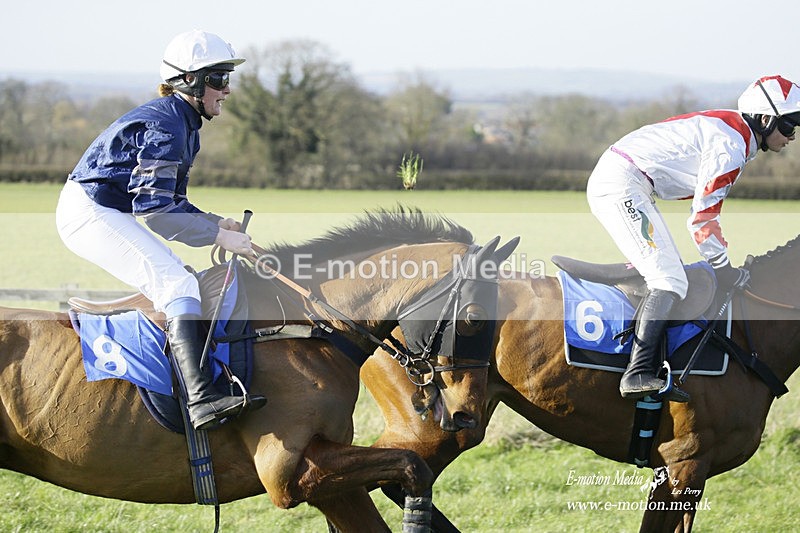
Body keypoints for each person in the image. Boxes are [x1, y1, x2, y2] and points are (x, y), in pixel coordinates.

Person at [56, 30, 266, 430]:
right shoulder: (169, 126)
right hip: (89, 212)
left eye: (227, 79)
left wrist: (213, 223)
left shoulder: (184, 124)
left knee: (181, 280)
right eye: (219, 79)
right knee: (177, 286)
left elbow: (171, 203)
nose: (227, 90)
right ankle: (202, 400)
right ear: (191, 81)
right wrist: (221, 238)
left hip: (105, 209)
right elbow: (154, 213)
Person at [587, 75, 800, 403]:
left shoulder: (735, 134)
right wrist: (724, 268)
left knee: (666, 272)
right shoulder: (730, 146)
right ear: (766, 119)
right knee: (668, 278)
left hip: (630, 182)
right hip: (623, 184)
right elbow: (702, 218)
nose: (792, 136)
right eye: (790, 125)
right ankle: (637, 374)